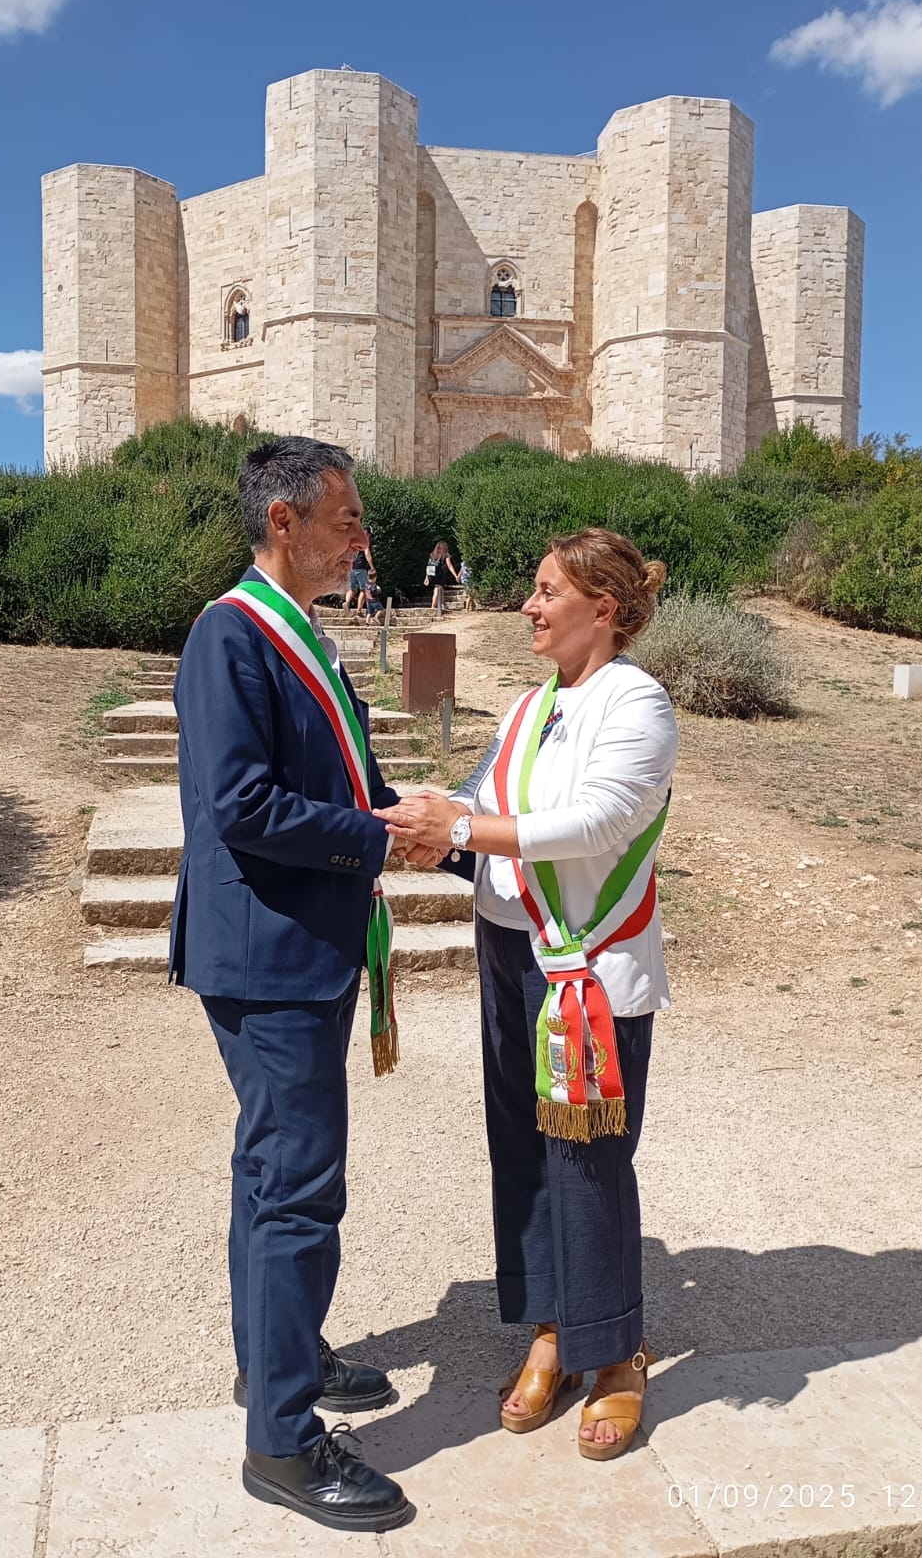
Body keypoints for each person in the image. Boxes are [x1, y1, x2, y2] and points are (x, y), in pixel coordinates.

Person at [170, 437, 439, 1532]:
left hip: (303, 944)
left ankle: (275, 1357)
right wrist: (376, 838)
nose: (362, 537)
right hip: (268, 954)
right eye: (347, 518)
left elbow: (350, 783)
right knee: (297, 1188)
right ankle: (281, 1442)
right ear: (283, 521)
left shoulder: (305, 636)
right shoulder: (231, 635)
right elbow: (241, 805)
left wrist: (445, 832)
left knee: (270, 1174)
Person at [375, 529, 678, 1462]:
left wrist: (463, 826)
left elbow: (596, 821)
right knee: (523, 1151)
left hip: (586, 964)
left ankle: (616, 1355)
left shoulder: (638, 702)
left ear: (604, 609)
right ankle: (552, 1332)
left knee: (588, 1160)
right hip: (509, 951)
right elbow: (484, 800)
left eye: (548, 592)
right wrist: (428, 828)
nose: (528, 606)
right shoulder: (529, 705)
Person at [344, 523, 376, 614]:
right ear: (366, 532)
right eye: (369, 534)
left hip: (351, 567)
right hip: (361, 567)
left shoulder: (353, 540)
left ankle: (347, 602)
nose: (370, 536)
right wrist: (372, 567)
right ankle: (359, 610)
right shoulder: (364, 541)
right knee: (364, 590)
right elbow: (367, 554)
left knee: (352, 588)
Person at [423, 540, 457, 617]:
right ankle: (433, 607)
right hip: (440, 575)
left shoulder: (432, 555)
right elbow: (449, 565)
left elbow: (428, 567)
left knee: (440, 589)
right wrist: (455, 575)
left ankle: (442, 605)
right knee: (437, 590)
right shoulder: (445, 555)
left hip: (432, 575)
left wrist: (427, 577)